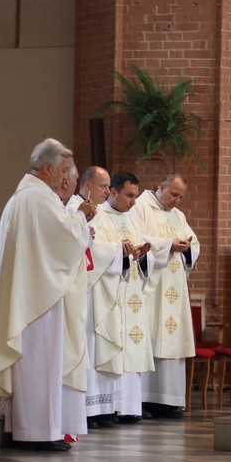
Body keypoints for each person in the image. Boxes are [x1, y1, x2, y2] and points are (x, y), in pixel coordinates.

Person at [0, 138, 96, 452]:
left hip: (31, 298)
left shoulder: (26, 196)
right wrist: (78, 214)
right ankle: (38, 432)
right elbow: (68, 238)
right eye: (62, 171)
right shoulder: (38, 199)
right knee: (39, 364)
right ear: (46, 168)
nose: (65, 178)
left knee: (34, 365)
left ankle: (25, 427)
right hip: (38, 305)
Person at [90, 171, 159, 422]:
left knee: (132, 347)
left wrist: (141, 255)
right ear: (113, 192)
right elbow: (97, 251)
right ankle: (109, 407)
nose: (133, 202)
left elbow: (144, 256)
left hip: (131, 293)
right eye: (129, 195)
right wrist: (120, 253)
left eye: (136, 196)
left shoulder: (133, 219)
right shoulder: (99, 216)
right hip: (110, 293)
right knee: (113, 348)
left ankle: (129, 407)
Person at [132, 173, 200, 418]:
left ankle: (169, 401)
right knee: (149, 337)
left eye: (180, 197)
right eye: (174, 194)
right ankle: (144, 400)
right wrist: (169, 244)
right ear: (161, 187)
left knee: (171, 343)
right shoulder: (140, 207)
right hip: (152, 287)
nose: (177, 201)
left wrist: (186, 246)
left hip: (173, 286)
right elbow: (139, 240)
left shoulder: (178, 216)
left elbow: (194, 243)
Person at [66, 166, 122, 429]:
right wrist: (114, 251)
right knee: (86, 345)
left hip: (103, 289)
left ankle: (102, 407)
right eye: (103, 186)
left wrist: (121, 250)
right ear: (87, 185)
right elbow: (82, 246)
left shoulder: (103, 214)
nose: (108, 191)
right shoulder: (75, 209)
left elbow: (106, 244)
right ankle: (88, 408)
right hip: (87, 290)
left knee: (98, 346)